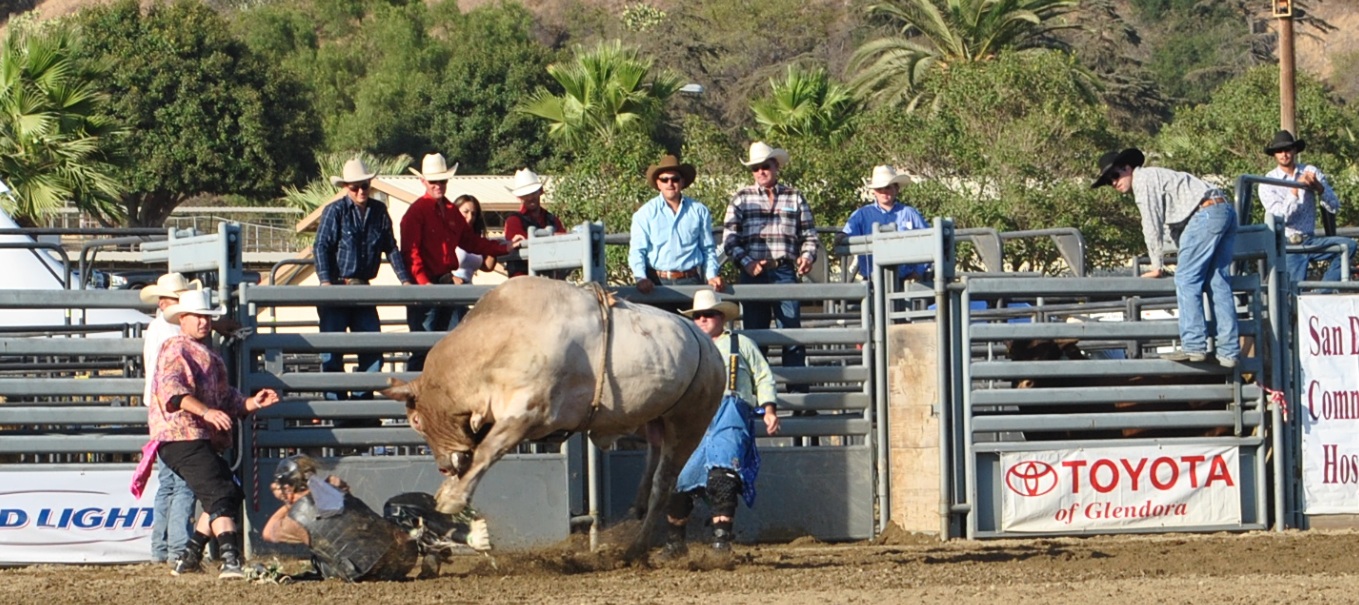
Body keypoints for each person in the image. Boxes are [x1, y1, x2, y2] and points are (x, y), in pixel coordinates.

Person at [147, 288, 280, 578]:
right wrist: (206, 412)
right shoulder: (175, 348)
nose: (204, 322)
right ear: (182, 318)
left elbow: (227, 398)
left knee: (229, 493)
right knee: (220, 493)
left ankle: (191, 556)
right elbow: (173, 392)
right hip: (180, 436)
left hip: (196, 437)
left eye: (207, 316)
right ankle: (230, 559)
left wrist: (252, 403)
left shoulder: (209, 354)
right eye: (197, 316)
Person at [1092, 148, 1240, 368]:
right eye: (1108, 181)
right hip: (1222, 209)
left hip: (1205, 213)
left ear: (1127, 168)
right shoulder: (1157, 177)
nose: (1113, 183)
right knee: (1217, 281)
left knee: (1186, 278)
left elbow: (1151, 224)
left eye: (1114, 176)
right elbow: (1176, 226)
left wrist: (1156, 265)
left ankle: (1194, 345)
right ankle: (1229, 351)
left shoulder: (1143, 182)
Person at [665, 289, 780, 555]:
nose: (703, 320)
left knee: (723, 478)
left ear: (722, 318)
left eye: (709, 315)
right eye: (699, 316)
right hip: (694, 418)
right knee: (679, 482)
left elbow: (763, 376)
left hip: (730, 414)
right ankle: (674, 542)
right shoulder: (685, 348)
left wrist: (769, 408)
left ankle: (721, 543)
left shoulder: (741, 344)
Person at [262, 454, 490, 581]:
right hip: (399, 559)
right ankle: (460, 537)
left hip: (363, 573)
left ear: (288, 487)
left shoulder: (293, 520)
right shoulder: (333, 489)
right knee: (399, 507)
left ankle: (447, 543)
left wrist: (287, 504)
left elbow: (269, 531)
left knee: (323, 559)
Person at [399, 154, 512, 371]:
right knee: (423, 348)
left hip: (445, 283)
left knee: (452, 344)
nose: (438, 185)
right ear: (424, 182)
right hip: (429, 284)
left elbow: (470, 241)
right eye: (434, 181)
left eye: (442, 181)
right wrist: (424, 285)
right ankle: (414, 400)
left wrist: (501, 248)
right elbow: (410, 253)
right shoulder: (416, 213)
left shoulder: (450, 211)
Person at [722, 141, 818, 393]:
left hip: (785, 270)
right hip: (753, 273)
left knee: (793, 334)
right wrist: (747, 262)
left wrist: (807, 256)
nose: (761, 171)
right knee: (754, 338)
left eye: (765, 166)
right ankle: (757, 396)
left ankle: (799, 397)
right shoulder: (741, 198)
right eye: (756, 168)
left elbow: (809, 234)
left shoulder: (794, 196)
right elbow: (729, 240)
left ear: (776, 166)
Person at [313, 158, 412, 401]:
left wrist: (405, 280)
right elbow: (321, 247)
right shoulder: (335, 211)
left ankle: (361, 407)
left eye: (364, 186)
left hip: (363, 288)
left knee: (372, 349)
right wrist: (326, 283)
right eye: (354, 187)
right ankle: (339, 412)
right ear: (346, 187)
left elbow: (391, 248)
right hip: (339, 286)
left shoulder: (379, 212)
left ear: (369, 185)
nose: (360, 191)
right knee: (333, 354)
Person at [140, 273, 199, 564]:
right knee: (184, 481)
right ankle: (178, 548)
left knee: (168, 482)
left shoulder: (155, 327)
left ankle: (161, 549)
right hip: (174, 410)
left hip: (157, 410)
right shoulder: (172, 332)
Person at [1257, 129, 1356, 285]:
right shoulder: (1267, 182)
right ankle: (1300, 302)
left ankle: (1323, 292)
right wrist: (1295, 189)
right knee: (1291, 295)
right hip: (1287, 244)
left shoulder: (1310, 171)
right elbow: (1280, 217)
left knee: (1349, 245)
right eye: (1279, 150)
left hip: (1310, 241)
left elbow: (1334, 206)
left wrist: (1318, 187)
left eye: (1287, 149)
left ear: (1294, 150)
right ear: (1274, 154)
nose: (1284, 154)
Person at [629, 155, 723, 298]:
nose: (670, 183)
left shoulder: (699, 211)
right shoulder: (644, 214)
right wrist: (641, 278)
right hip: (655, 282)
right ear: (658, 183)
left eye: (675, 179)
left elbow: (708, 249)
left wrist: (711, 276)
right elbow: (637, 251)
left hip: (690, 280)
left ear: (682, 182)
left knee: (693, 320)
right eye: (664, 179)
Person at [836, 165, 931, 282]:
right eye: (879, 188)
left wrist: (917, 272)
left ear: (896, 189)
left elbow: (929, 243)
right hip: (871, 282)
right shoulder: (861, 215)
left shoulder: (910, 214)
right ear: (874, 192)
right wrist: (841, 237)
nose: (883, 192)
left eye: (887, 187)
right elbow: (846, 234)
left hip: (906, 281)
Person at [502, 168, 566, 278]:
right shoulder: (513, 221)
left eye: (533, 193)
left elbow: (566, 243)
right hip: (523, 280)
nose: (530, 197)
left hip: (552, 278)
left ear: (541, 191)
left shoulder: (553, 219)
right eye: (525, 194)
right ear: (519, 197)